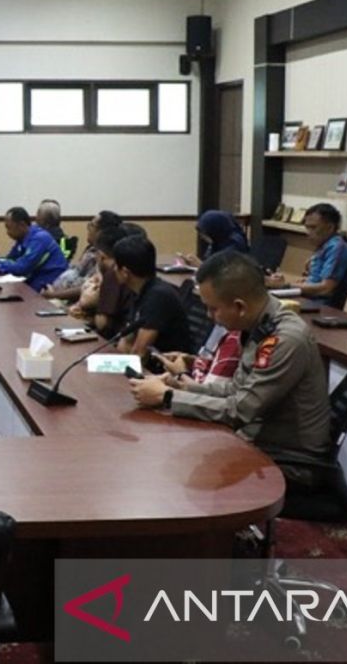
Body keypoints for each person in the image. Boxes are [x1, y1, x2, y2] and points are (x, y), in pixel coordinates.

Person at [128, 251, 331, 491]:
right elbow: (236, 389)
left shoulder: (285, 339)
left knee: (178, 469)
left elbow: (240, 410)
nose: (209, 317)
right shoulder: (261, 323)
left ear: (240, 307)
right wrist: (182, 385)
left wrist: (167, 397)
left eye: (213, 309)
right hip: (260, 439)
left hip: (288, 459)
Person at [111, 235, 193, 358]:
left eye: (115, 266)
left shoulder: (158, 296)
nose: (113, 269)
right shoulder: (139, 290)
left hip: (166, 370)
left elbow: (140, 353)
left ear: (125, 272)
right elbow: (127, 340)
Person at [266, 203, 347, 305]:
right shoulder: (323, 246)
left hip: (319, 305)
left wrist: (285, 285)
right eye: (307, 227)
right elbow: (314, 280)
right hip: (308, 299)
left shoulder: (337, 248)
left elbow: (325, 289)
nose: (308, 232)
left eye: (313, 228)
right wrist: (285, 283)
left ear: (330, 227)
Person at [0, 207, 67, 292]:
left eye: (9, 228)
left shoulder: (39, 238)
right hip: (35, 280)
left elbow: (22, 268)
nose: (7, 232)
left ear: (21, 225)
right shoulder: (23, 238)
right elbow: (11, 259)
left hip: (51, 282)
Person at [42, 210, 122, 302]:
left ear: (102, 231)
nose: (88, 228)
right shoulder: (91, 249)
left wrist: (53, 295)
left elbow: (87, 287)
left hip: (72, 302)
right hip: (57, 294)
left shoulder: (103, 256)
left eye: (91, 225)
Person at [182, 210, 249, 266]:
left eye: (204, 233)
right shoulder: (217, 242)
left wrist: (201, 265)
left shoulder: (234, 244)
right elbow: (209, 261)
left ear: (214, 229)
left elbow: (225, 271)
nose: (202, 237)